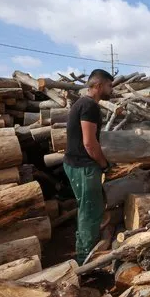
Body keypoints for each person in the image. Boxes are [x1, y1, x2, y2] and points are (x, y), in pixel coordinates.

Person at [63, 69, 113, 265]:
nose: (112, 90)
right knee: (90, 212)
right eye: (109, 85)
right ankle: (86, 261)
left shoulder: (83, 103)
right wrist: (104, 164)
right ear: (99, 86)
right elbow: (89, 143)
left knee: (89, 208)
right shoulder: (89, 106)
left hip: (77, 164)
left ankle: (87, 250)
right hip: (83, 166)